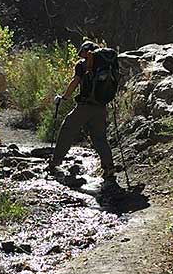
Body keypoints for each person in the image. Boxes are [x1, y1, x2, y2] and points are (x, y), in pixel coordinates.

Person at [48, 40, 119, 189]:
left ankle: (56, 162)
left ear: (85, 51)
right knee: (99, 138)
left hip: (85, 106)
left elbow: (75, 81)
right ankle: (109, 168)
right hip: (101, 107)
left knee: (67, 128)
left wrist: (65, 97)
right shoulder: (107, 64)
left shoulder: (83, 64)